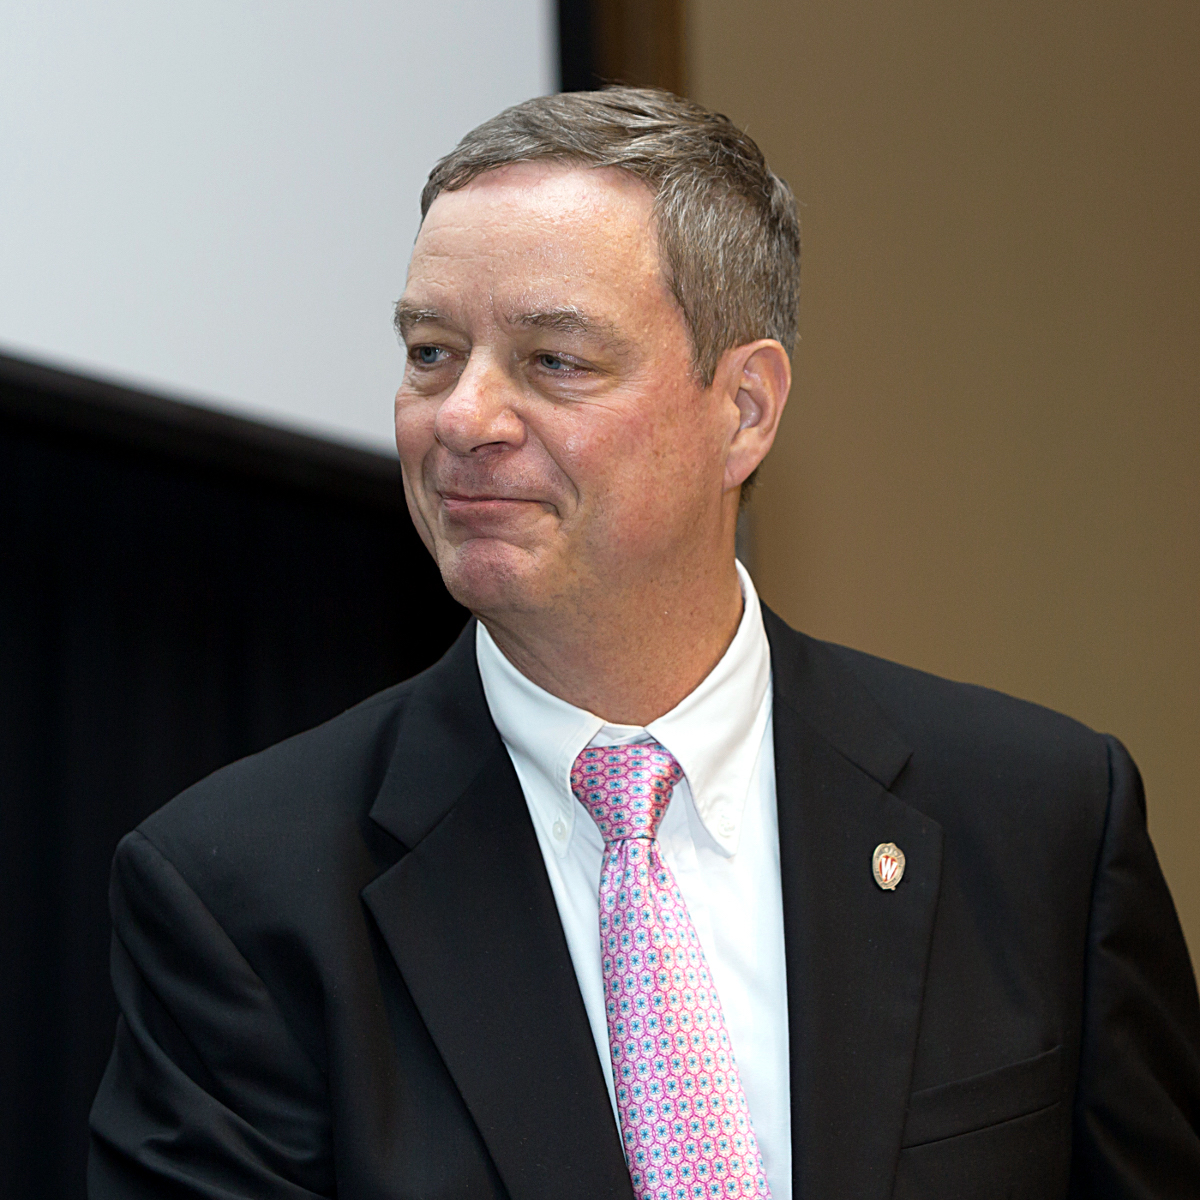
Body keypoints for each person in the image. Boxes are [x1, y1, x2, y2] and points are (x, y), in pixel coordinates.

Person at [89, 87, 1200, 1199]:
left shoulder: (1040, 824)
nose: (464, 417)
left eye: (553, 361)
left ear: (746, 408)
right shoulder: (242, 896)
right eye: (432, 353)